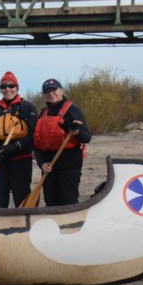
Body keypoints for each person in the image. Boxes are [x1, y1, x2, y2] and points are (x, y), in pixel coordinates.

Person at [34, 78, 93, 206]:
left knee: (68, 201)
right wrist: (41, 163)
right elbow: (36, 143)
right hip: (48, 167)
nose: (51, 94)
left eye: (54, 90)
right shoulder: (43, 113)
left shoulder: (73, 110)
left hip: (69, 166)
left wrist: (76, 132)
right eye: (47, 92)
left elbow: (87, 137)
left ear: (61, 91)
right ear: (44, 95)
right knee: (51, 202)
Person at [0, 71, 38, 208]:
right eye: (4, 86)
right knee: (0, 200)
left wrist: (16, 146)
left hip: (21, 161)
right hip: (0, 162)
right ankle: (1, 228)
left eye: (11, 86)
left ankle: (24, 227)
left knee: (21, 199)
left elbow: (33, 135)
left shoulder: (27, 107)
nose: (7, 89)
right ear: (0, 89)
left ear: (17, 87)